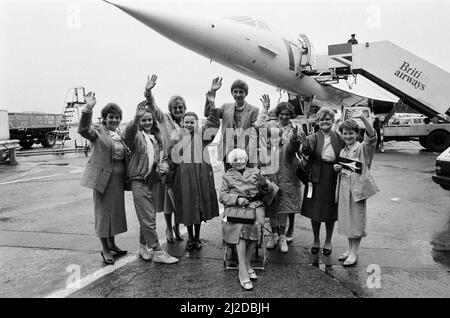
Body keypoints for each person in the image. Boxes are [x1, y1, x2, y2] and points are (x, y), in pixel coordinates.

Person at [122, 81, 179, 264]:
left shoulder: (158, 137)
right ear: (139, 122)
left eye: (149, 120)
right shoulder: (137, 137)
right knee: (148, 218)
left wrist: (164, 166)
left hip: (154, 180)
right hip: (139, 180)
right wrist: (134, 118)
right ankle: (157, 251)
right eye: (143, 120)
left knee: (148, 216)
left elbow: (161, 158)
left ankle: (142, 246)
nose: (147, 122)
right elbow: (126, 136)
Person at [167, 85, 221, 251]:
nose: (189, 124)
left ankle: (197, 237)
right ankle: (190, 237)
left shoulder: (203, 136)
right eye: (186, 122)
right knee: (188, 208)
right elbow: (171, 158)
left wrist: (212, 104)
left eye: (192, 122)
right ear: (182, 123)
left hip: (200, 177)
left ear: (197, 124)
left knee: (199, 207)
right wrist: (168, 175)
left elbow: (213, 122)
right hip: (183, 179)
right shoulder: (177, 137)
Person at [78, 92, 128, 265]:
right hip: (103, 179)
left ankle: (112, 243)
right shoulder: (98, 131)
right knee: (102, 214)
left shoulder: (119, 134)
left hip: (118, 180)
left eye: (117, 117)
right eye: (111, 117)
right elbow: (83, 130)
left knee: (113, 213)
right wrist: (88, 108)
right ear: (104, 118)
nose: (114, 120)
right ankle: (105, 249)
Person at [220, 148, 277, 290]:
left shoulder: (255, 172)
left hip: (255, 205)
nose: (239, 162)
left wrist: (264, 185)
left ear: (246, 160)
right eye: (235, 160)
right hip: (235, 209)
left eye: (241, 159)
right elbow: (222, 196)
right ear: (231, 163)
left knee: (257, 224)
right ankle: (242, 270)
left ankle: (246, 263)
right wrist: (237, 199)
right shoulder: (227, 176)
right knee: (241, 228)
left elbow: (269, 191)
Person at [255, 96, 305, 250]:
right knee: (272, 204)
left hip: (289, 166)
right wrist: (265, 108)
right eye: (281, 114)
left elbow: (299, 147)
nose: (284, 116)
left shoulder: (297, 127)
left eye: (287, 114)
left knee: (287, 203)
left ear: (291, 115)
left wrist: (294, 140)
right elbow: (258, 126)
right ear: (277, 114)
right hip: (272, 167)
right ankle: (274, 235)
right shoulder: (271, 125)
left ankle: (285, 234)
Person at [138, 75, 184, 244]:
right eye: (175, 107)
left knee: (178, 200)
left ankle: (178, 227)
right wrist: (148, 92)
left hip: (181, 167)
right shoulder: (164, 118)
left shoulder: (186, 123)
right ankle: (169, 228)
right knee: (167, 202)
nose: (178, 110)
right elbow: (153, 106)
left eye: (180, 107)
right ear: (170, 108)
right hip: (166, 165)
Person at [334, 110, 379, 266]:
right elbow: (347, 168)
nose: (347, 136)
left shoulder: (362, 148)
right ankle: (350, 249)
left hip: (357, 190)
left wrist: (362, 118)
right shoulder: (343, 150)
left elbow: (372, 137)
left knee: (356, 221)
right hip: (344, 189)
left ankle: (354, 252)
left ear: (356, 133)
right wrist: (338, 168)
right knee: (347, 221)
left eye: (351, 133)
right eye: (345, 133)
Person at [300, 107, 344, 256]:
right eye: (322, 119)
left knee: (330, 211)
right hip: (316, 176)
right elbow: (306, 150)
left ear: (332, 121)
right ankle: (316, 240)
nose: (325, 121)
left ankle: (328, 241)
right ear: (318, 121)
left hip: (333, 176)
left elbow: (346, 153)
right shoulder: (313, 137)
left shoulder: (338, 136)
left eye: (328, 119)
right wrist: (303, 144)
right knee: (316, 211)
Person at [205, 78, 259, 171]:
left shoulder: (254, 110)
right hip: (228, 153)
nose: (238, 95)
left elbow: (254, 135)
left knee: (246, 182)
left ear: (246, 93)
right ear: (232, 93)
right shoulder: (225, 107)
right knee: (230, 181)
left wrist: (247, 155)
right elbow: (208, 113)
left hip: (245, 153)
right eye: (235, 91)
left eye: (241, 92)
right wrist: (213, 92)